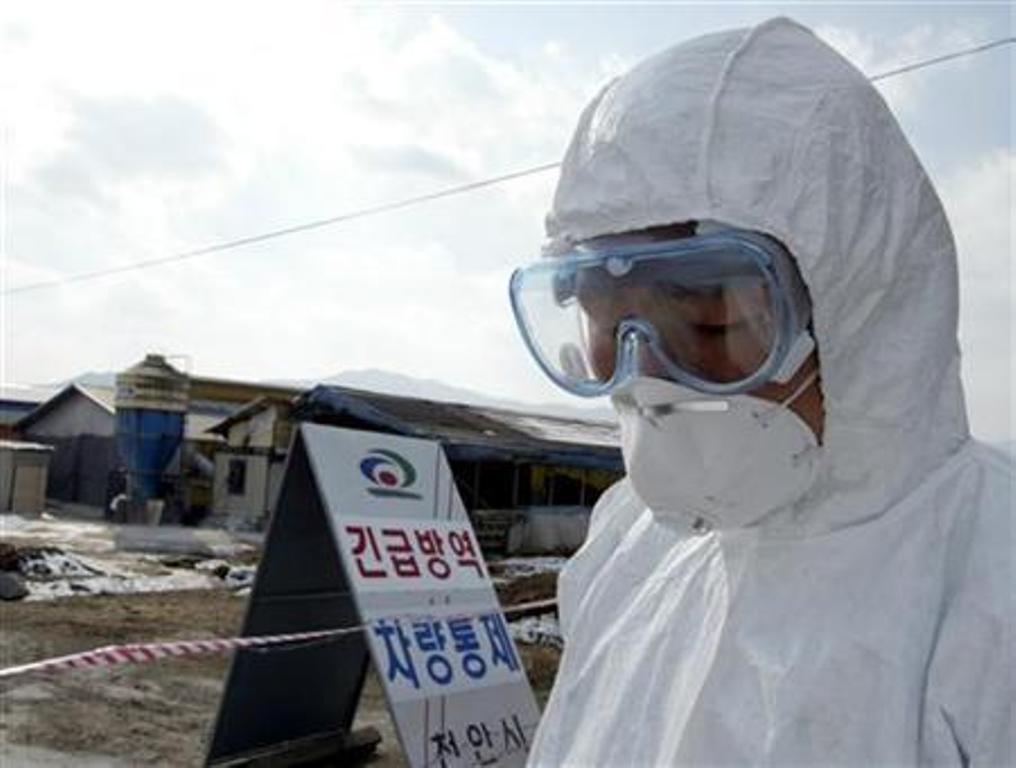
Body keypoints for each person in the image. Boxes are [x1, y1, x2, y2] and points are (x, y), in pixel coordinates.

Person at [509, 18, 1013, 766]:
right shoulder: (628, 546)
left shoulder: (986, 584)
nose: (649, 385)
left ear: (862, 311)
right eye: (606, 327)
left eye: (710, 326)